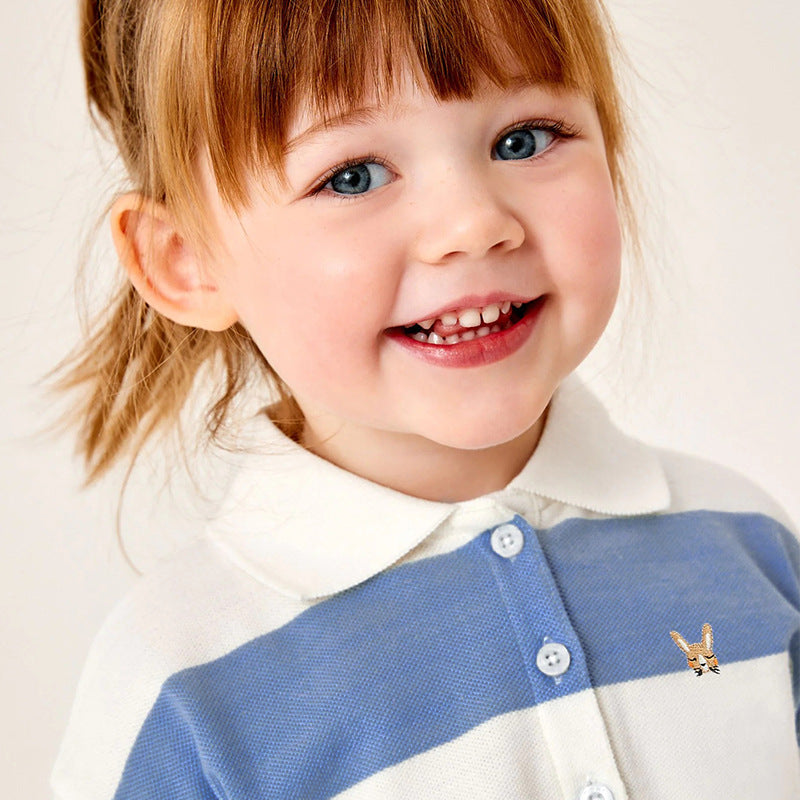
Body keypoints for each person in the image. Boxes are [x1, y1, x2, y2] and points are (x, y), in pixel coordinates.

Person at [51, 0, 800, 797]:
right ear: (186, 260)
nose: (474, 225)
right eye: (352, 176)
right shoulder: (181, 680)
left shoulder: (743, 542)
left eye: (524, 140)